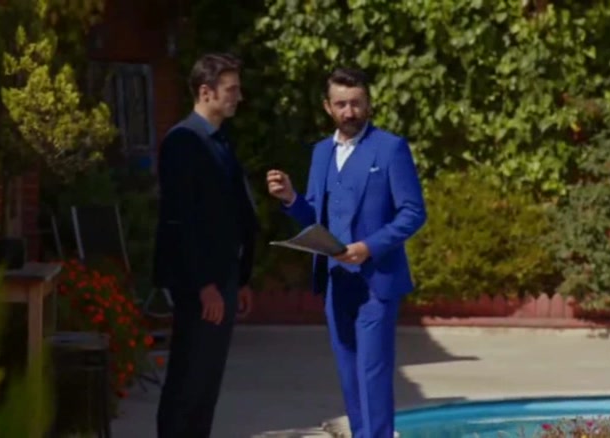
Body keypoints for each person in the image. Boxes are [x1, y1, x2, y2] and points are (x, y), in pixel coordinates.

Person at [266, 67, 426, 437]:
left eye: (356, 103)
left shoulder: (390, 148)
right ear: (328, 107)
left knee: (372, 373)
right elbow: (314, 214)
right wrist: (290, 198)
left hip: (376, 282)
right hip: (336, 282)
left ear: (368, 103)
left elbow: (413, 212)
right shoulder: (321, 152)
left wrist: (369, 247)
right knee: (349, 376)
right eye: (341, 104)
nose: (349, 112)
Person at [152, 52, 259, 438]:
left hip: (223, 277)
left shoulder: (219, 141)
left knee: (207, 385)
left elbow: (232, 212)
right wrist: (204, 285)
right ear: (205, 92)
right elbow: (180, 220)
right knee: (188, 381)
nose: (238, 97)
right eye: (231, 89)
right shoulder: (184, 141)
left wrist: (241, 277)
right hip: (201, 284)